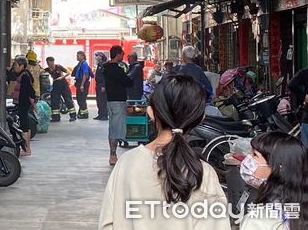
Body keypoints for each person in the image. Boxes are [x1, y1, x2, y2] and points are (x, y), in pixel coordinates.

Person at [98, 75, 230, 230]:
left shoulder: (127, 163)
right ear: (200, 118)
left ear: (151, 113)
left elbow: (107, 223)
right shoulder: (202, 172)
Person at [239, 132, 308, 230]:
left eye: (255, 155)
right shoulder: (300, 200)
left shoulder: (258, 221)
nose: (247, 160)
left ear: (278, 167)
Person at [103, 46, 133, 165]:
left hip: (110, 101)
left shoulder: (106, 68)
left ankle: (113, 154)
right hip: (118, 102)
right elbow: (128, 82)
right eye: (122, 54)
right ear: (117, 55)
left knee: (113, 127)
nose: (123, 56)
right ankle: (113, 155)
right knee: (115, 129)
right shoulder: (117, 70)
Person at [12, 55, 37, 156]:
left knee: (24, 126)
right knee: (25, 125)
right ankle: (27, 148)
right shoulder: (23, 74)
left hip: (23, 103)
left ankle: (27, 149)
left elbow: (30, 91)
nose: (14, 67)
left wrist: (33, 101)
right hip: (23, 103)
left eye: (15, 65)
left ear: (21, 65)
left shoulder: (25, 76)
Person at [45, 56, 77, 122]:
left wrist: (62, 77)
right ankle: (56, 117)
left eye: (50, 63)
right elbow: (41, 71)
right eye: (48, 63)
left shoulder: (58, 66)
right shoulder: (47, 69)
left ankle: (73, 116)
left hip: (63, 84)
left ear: (53, 62)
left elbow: (68, 72)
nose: (49, 65)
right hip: (55, 84)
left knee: (68, 99)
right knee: (54, 100)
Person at [287, 68, 308, 148]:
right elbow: (291, 84)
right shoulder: (305, 73)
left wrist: (303, 96)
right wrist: (303, 96)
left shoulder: (305, 72)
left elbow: (291, 84)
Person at [72, 51, 92, 119]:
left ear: (83, 56)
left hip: (83, 83)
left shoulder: (84, 64)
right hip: (79, 82)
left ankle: (84, 114)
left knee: (82, 99)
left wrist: (82, 85)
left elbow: (85, 74)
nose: (77, 57)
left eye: (78, 56)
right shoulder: (80, 64)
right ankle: (81, 113)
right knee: (79, 99)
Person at [94, 52, 109, 121]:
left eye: (98, 56)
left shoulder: (104, 65)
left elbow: (105, 76)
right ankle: (100, 114)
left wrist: (104, 86)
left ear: (101, 57)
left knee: (103, 101)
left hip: (102, 85)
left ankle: (104, 115)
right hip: (98, 84)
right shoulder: (99, 65)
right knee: (99, 100)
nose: (96, 57)